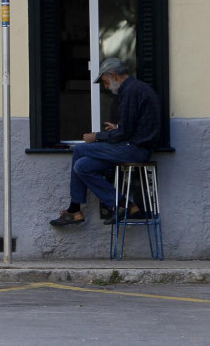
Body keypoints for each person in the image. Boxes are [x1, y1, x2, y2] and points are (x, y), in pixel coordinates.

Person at [49, 57, 160, 227]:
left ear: (113, 75)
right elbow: (133, 126)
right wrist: (117, 127)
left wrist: (97, 136)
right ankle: (124, 204)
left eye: (105, 81)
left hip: (135, 149)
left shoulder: (130, 91)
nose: (106, 86)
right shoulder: (137, 89)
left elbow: (125, 133)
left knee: (80, 150)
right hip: (135, 145)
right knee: (82, 166)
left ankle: (74, 210)